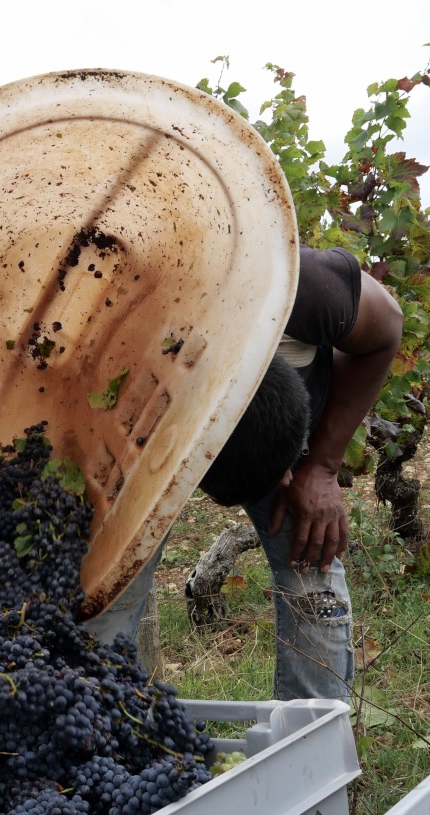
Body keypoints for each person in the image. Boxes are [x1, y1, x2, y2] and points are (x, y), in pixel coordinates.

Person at [85, 244, 404, 703]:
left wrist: (321, 467)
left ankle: (314, 738)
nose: (285, 484)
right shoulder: (115, 332)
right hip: (139, 442)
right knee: (106, 589)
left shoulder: (298, 285)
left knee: (310, 574)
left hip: (273, 428)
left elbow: (388, 328)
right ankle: (96, 722)